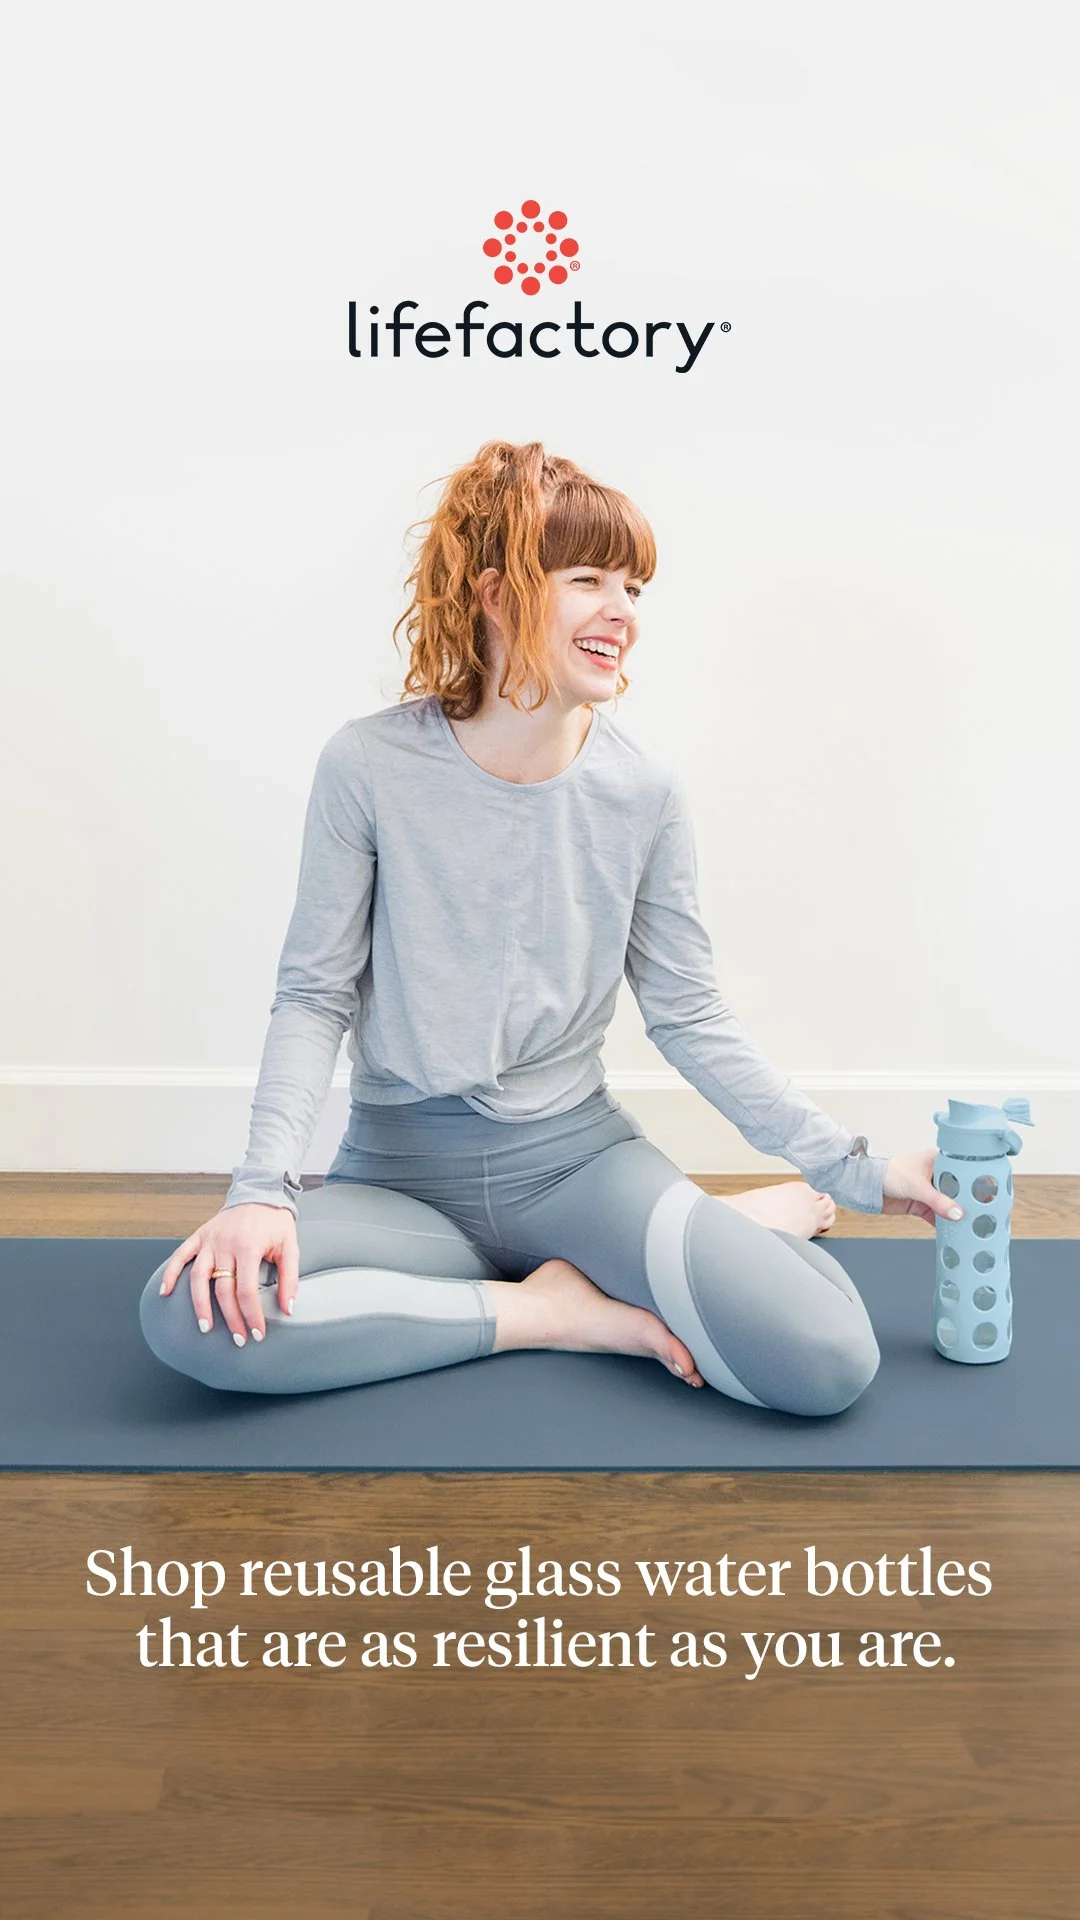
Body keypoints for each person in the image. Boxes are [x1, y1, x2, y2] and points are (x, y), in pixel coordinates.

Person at [140, 439, 963, 1417]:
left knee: (828, 1362)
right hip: (400, 1178)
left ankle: (706, 1233)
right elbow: (314, 996)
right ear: (496, 594)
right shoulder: (366, 766)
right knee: (189, 1314)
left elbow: (690, 1016)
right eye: (588, 581)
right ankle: (551, 1310)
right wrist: (260, 1194)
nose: (625, 612)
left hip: (578, 1166)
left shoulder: (643, 792)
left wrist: (850, 1168)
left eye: (634, 588)